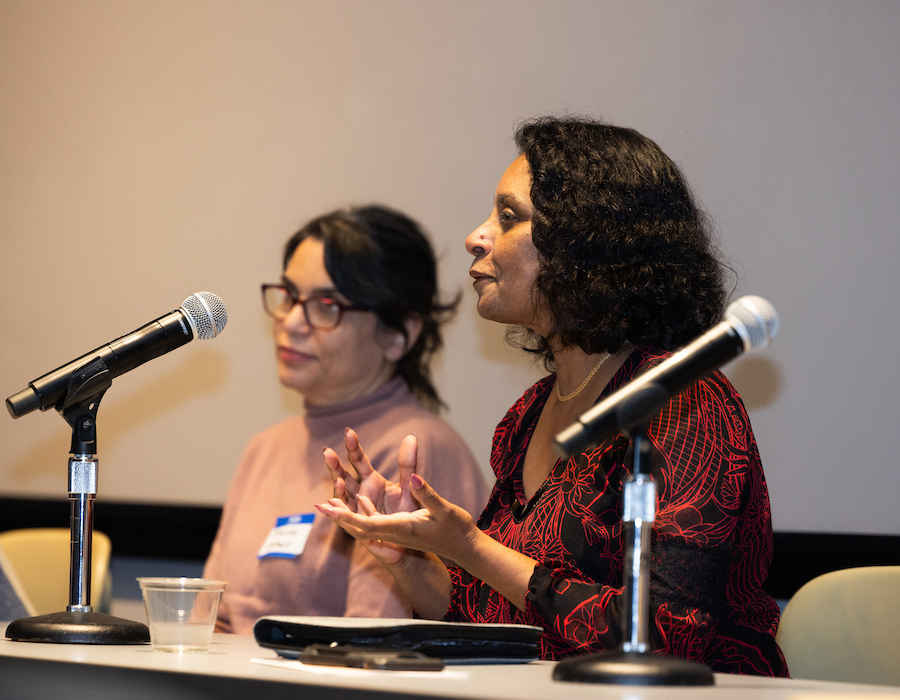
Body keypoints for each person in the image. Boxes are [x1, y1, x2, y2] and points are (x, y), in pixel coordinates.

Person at [316, 117, 789, 676]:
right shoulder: (526, 417)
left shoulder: (685, 402)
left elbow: (664, 638)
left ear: (585, 246)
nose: (476, 236)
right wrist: (407, 555)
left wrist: (471, 545)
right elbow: (492, 620)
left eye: (508, 217)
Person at [203, 205, 488, 635]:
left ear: (399, 334)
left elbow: (371, 645)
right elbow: (214, 619)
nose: (292, 323)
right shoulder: (264, 448)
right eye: (289, 296)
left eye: (326, 305)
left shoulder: (414, 449)